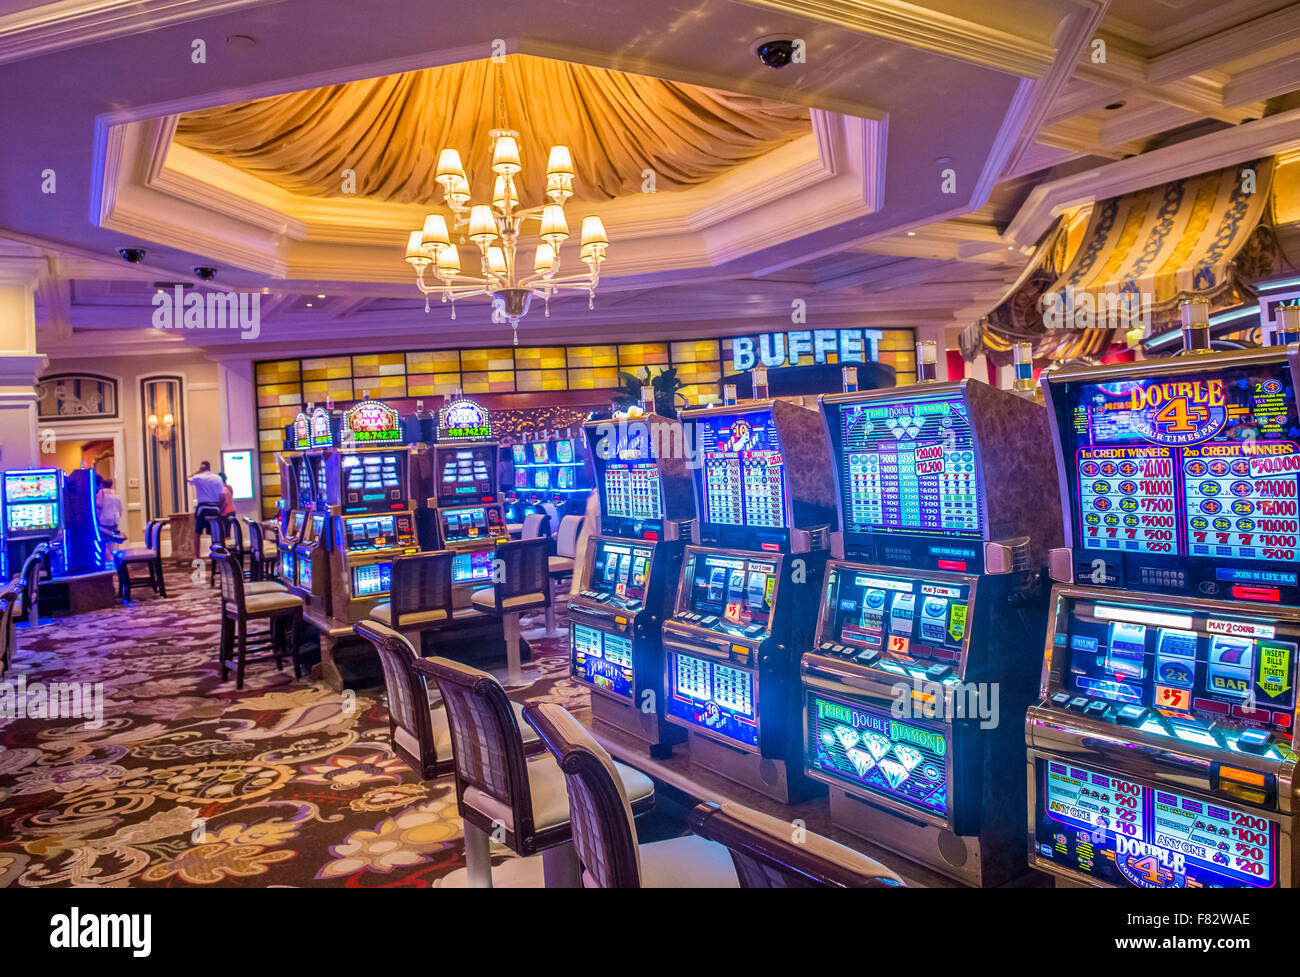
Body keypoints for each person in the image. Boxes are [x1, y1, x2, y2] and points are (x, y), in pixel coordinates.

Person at [189, 461, 226, 558]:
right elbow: (222, 496)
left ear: (202, 468)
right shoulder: (217, 478)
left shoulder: (198, 477)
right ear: (210, 467)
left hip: (202, 508)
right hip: (215, 508)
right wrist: (220, 508)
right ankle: (218, 554)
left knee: (197, 532)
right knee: (217, 532)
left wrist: (197, 472)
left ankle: (197, 557)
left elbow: (188, 479)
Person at [95, 476, 124, 553]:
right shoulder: (115, 493)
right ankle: (113, 556)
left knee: (103, 541)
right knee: (112, 541)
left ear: (102, 484)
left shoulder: (102, 492)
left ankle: (109, 558)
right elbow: (120, 508)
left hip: (105, 519)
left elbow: (99, 504)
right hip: (115, 519)